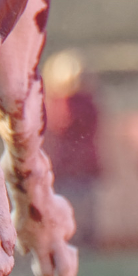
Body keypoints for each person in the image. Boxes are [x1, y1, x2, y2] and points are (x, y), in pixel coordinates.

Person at [43, 53, 102, 249]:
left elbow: (73, 124)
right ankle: (64, 241)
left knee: (83, 208)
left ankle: (84, 242)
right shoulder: (53, 103)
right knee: (63, 206)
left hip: (81, 167)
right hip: (62, 167)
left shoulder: (85, 104)